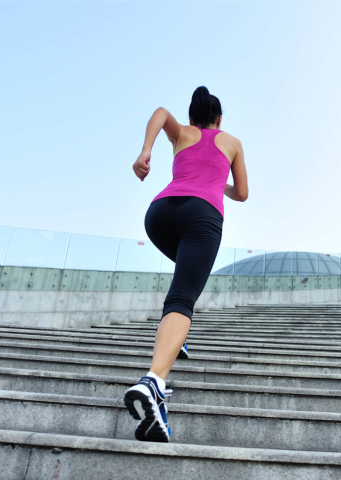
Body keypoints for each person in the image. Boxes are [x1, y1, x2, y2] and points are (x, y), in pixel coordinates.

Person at [123, 86, 248, 442]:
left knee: (185, 278)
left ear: (192, 117)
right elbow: (242, 193)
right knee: (183, 298)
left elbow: (161, 111)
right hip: (201, 215)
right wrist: (217, 183)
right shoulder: (232, 142)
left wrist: (146, 153)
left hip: (160, 213)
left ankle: (158, 406)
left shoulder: (183, 134)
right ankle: (153, 383)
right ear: (219, 119)